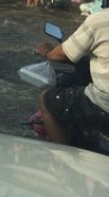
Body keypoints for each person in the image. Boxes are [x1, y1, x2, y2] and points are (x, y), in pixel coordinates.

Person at [36, 10, 109, 145]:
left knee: (46, 99)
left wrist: (47, 52)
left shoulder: (99, 20)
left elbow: (63, 54)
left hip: (104, 103)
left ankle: (62, 159)